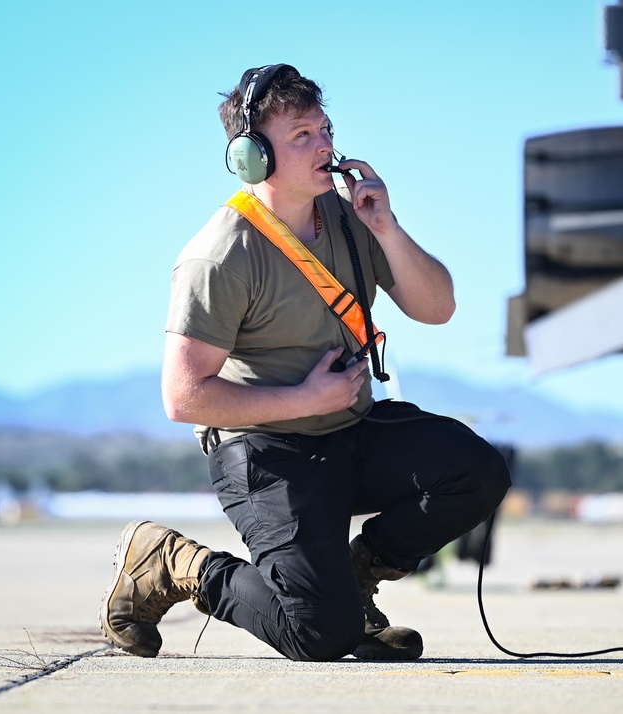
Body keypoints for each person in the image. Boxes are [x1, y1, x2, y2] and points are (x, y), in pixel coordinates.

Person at [98, 64, 511, 662]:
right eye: (303, 136)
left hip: (349, 432)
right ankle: (170, 563)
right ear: (252, 158)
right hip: (265, 453)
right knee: (317, 634)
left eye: (326, 129)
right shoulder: (220, 255)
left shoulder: (349, 216)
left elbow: (439, 307)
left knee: (477, 470)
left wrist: (386, 228)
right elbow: (183, 397)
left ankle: (355, 581)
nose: (326, 146)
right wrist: (304, 400)